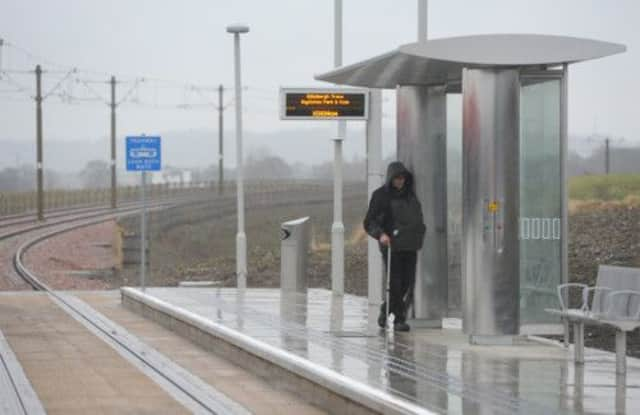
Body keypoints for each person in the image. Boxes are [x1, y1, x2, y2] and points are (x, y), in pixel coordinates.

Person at [363, 161, 426, 332]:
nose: (400, 181)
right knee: (396, 281)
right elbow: (369, 221)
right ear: (391, 178)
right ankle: (399, 319)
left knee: (407, 282)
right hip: (391, 245)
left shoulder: (410, 195)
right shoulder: (380, 196)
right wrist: (380, 234)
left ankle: (385, 310)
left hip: (410, 245)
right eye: (397, 178)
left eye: (402, 178)